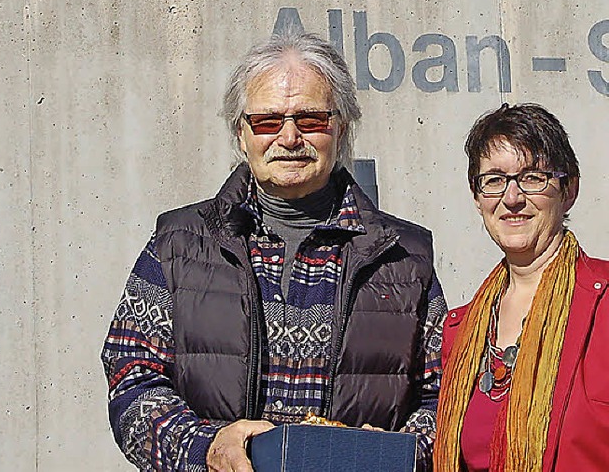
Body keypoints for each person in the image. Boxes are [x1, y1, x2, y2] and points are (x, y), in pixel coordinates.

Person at [102, 30, 447, 472]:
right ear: (241, 134)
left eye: (310, 120)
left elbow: (445, 396)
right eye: (267, 121)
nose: (288, 138)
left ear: (341, 128)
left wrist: (395, 456)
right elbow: (131, 375)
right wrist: (204, 448)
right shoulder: (178, 244)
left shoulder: (403, 258)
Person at [434, 103, 609, 472]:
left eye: (532, 177)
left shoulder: (604, 305)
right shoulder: (462, 331)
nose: (511, 198)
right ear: (477, 197)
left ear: (569, 189)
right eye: (494, 180)